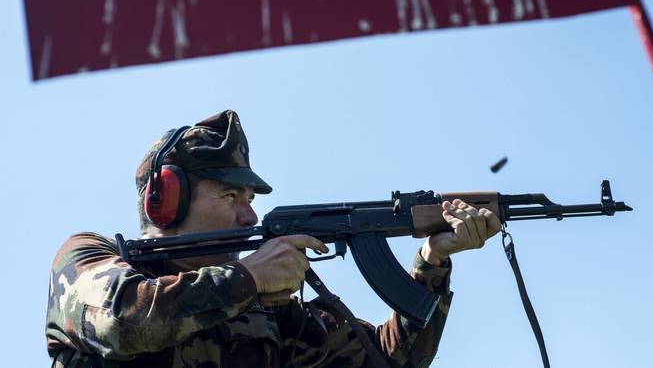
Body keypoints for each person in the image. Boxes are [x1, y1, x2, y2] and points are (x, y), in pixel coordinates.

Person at [46, 110, 501, 368]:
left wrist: (431, 261)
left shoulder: (270, 314)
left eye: (249, 197)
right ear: (167, 199)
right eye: (230, 194)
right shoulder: (89, 258)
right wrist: (248, 278)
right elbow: (121, 321)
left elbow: (387, 360)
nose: (249, 214)